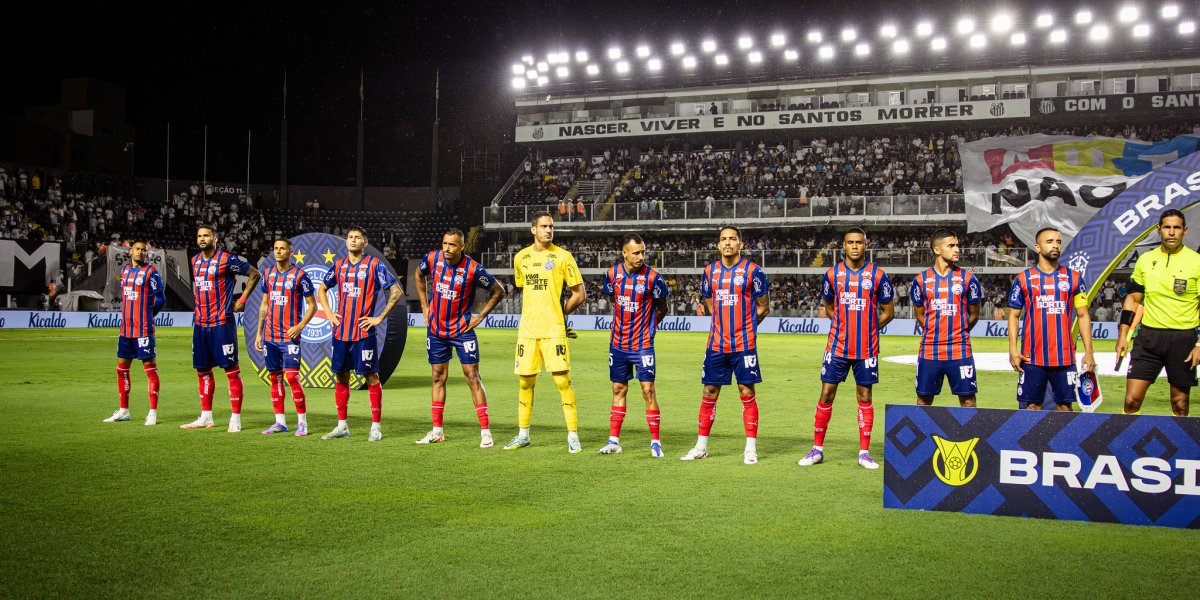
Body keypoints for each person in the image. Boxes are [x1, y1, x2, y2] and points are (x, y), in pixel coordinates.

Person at [799, 228, 894, 470]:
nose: (854, 246)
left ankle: (864, 453)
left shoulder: (878, 275)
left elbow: (888, 312)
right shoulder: (832, 275)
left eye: (859, 243)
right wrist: (842, 327)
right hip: (837, 346)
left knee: (865, 396)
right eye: (850, 242)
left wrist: (870, 329)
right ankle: (817, 449)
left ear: (865, 245)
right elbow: (829, 306)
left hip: (866, 348)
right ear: (844, 245)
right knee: (827, 393)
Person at [680, 226, 770, 464]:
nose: (727, 243)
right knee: (709, 392)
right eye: (723, 239)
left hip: (744, 345)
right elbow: (709, 302)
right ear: (718, 245)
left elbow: (764, 306)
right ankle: (700, 447)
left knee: (747, 392)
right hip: (716, 344)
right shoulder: (709, 272)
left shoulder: (754, 271)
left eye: (732, 239)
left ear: (740, 243)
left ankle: (750, 448)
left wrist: (747, 326)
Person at [413, 228, 505, 448]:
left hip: (462, 330)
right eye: (445, 243)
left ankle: (485, 432)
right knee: (437, 377)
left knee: (472, 377)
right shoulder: (433, 258)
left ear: (462, 246)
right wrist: (424, 307)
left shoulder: (473, 269)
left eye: (452, 245)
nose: (447, 248)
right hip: (436, 330)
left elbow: (498, 290)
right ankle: (437, 431)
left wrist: (481, 315)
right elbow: (418, 274)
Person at [503, 211, 586, 452]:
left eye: (551, 226)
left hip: (553, 330)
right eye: (544, 226)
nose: (549, 230)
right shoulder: (521, 258)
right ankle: (523, 435)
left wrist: (561, 315)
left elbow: (579, 294)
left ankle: (572, 436)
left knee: (562, 381)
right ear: (533, 230)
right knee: (525, 383)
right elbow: (525, 289)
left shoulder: (563, 257)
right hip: (528, 331)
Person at [315, 228, 402, 441]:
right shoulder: (338, 266)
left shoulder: (374, 265)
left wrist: (379, 317)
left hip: (363, 333)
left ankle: (375, 427)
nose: (353, 240)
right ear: (346, 242)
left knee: (371, 377)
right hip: (341, 333)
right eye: (350, 237)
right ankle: (342, 426)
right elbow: (321, 289)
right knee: (341, 376)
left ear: (365, 242)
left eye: (357, 238)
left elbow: (396, 291)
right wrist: (328, 312)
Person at [1115, 209, 1200, 416]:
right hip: (1148, 338)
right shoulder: (1145, 260)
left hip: (1183, 339)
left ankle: (1183, 449)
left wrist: (1199, 344)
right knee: (1131, 400)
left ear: (1184, 231)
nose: (1171, 232)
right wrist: (1123, 335)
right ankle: (1126, 447)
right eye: (1167, 227)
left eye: (1176, 227)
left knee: (1180, 404)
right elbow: (1133, 299)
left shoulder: (1196, 262)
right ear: (1158, 230)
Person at [597, 234, 671, 457]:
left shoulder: (653, 278)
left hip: (642, 344)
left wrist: (650, 328)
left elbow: (662, 308)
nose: (641, 256)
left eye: (643, 252)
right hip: (618, 343)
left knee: (648, 390)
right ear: (624, 253)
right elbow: (613, 300)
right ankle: (613, 441)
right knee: (618, 389)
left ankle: (655, 442)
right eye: (636, 252)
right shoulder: (612, 275)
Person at [181, 226, 260, 431]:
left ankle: (235, 418)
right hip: (200, 324)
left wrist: (242, 299)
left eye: (206, 235)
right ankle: (206, 417)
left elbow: (254, 274)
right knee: (202, 371)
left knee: (231, 372)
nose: (202, 238)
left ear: (215, 238)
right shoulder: (195, 260)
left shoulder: (227, 259)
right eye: (199, 235)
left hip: (222, 323)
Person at [1007, 227, 1095, 411]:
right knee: (1032, 407)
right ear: (1038, 247)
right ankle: (1031, 441)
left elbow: (1083, 315)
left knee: (1065, 407)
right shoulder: (1024, 279)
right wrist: (1013, 350)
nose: (1055, 246)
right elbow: (1014, 316)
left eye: (1058, 241)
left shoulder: (1074, 278)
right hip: (1031, 358)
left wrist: (1089, 352)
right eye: (1050, 242)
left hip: (1064, 357)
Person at [910, 230, 982, 407]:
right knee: (924, 399)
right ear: (937, 249)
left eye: (957, 245)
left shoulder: (968, 279)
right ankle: (925, 436)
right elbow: (920, 315)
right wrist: (933, 331)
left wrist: (959, 331)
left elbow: (974, 314)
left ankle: (969, 435)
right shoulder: (920, 280)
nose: (957, 249)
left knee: (968, 400)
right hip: (929, 350)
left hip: (960, 349)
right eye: (951, 246)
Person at [254, 238, 316, 436]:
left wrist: (300, 326)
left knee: (291, 377)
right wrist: (258, 333)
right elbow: (264, 305)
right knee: (275, 378)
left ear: (291, 252)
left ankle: (302, 422)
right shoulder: (268, 274)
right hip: (270, 336)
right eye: (276, 249)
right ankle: (280, 422)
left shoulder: (300, 276)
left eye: (282, 249)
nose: (278, 251)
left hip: (290, 336)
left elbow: (313, 305)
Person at [103, 241, 166, 425]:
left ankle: (152, 412)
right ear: (130, 251)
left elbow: (161, 297)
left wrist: (150, 314)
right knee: (121, 370)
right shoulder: (125, 271)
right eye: (137, 249)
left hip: (144, 330)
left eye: (144, 251)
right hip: (126, 330)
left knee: (150, 371)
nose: (140, 252)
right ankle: (123, 411)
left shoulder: (151, 273)